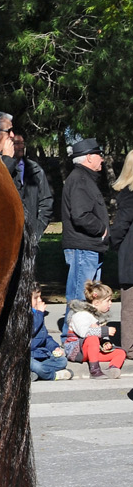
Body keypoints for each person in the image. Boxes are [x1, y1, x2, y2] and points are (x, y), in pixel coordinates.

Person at [61, 138, 108, 329]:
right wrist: (101, 229)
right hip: (83, 247)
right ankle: (72, 340)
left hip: (88, 247)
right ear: (88, 157)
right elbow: (80, 215)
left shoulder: (85, 178)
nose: (102, 159)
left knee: (89, 298)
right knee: (79, 297)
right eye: (99, 155)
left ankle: (87, 337)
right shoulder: (80, 180)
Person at [64, 280, 125, 379]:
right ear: (96, 303)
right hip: (76, 351)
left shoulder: (99, 316)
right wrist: (105, 331)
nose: (110, 304)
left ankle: (112, 369)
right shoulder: (81, 314)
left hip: (92, 351)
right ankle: (95, 370)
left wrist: (105, 343)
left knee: (120, 352)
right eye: (108, 300)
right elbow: (84, 333)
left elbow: (100, 335)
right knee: (92, 338)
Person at [108, 148, 133, 361]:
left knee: (129, 306)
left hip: (131, 257)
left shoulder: (128, 194)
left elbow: (121, 225)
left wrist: (113, 242)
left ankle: (130, 347)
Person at [12, 134, 53, 243]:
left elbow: (46, 201)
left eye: (22, 143)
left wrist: (37, 229)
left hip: (30, 237)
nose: (21, 147)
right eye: (17, 143)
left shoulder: (36, 170)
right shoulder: (1, 169)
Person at [30, 286, 72, 381]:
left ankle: (35, 374)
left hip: (41, 355)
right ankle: (53, 376)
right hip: (28, 357)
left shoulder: (37, 314)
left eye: (40, 297)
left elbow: (45, 337)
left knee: (62, 361)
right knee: (37, 366)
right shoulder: (27, 315)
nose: (40, 300)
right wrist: (40, 313)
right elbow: (32, 330)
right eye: (36, 298)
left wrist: (55, 347)